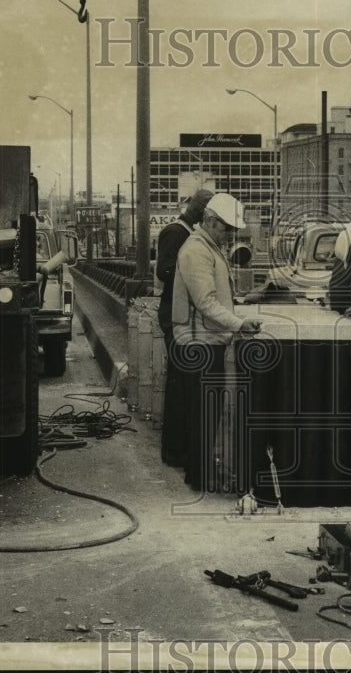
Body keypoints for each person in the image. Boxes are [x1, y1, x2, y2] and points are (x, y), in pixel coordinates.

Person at [170, 193, 262, 492]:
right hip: (200, 343)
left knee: (204, 413)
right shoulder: (197, 251)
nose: (229, 235)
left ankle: (200, 472)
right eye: (226, 229)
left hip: (206, 340)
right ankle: (200, 476)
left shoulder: (207, 247)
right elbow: (206, 302)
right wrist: (239, 323)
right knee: (203, 414)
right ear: (210, 222)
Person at [156, 188, 213, 467]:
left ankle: (178, 448)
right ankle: (174, 451)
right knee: (179, 385)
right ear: (201, 212)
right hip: (175, 315)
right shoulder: (177, 233)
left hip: (182, 314)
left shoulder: (189, 233)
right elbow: (163, 269)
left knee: (180, 384)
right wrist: (193, 277)